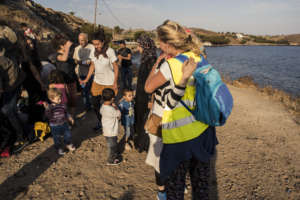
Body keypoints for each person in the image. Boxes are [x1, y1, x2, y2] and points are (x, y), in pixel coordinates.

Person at [145, 20, 218, 200]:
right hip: (203, 130)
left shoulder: (170, 65)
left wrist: (158, 61)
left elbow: (148, 87)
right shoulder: (198, 57)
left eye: (160, 42)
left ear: (168, 44)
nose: (158, 45)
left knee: (175, 188)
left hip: (179, 138)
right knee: (201, 187)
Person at [80, 29, 119, 133]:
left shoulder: (110, 51)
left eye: (97, 44)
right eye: (94, 44)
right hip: (97, 82)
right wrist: (87, 79)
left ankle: (110, 123)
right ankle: (101, 121)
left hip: (109, 83)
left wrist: (115, 82)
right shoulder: (93, 51)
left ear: (102, 42)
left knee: (109, 105)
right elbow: (92, 65)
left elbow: (116, 67)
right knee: (95, 104)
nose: (95, 46)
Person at [0, 25, 27, 150]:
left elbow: (13, 73)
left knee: (8, 110)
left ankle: (21, 136)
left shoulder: (4, 57)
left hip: (12, 84)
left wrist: (6, 88)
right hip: (9, 83)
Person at [134, 34, 157, 152]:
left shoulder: (152, 60)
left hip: (146, 97)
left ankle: (144, 145)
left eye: (139, 46)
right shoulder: (146, 58)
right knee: (140, 117)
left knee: (145, 119)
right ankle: (140, 142)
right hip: (141, 95)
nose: (138, 48)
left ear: (146, 46)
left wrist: (151, 100)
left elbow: (153, 82)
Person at [51, 34, 78, 118]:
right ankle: (64, 118)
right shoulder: (56, 55)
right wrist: (67, 47)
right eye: (65, 44)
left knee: (73, 101)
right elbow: (64, 58)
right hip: (61, 83)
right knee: (63, 101)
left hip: (71, 80)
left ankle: (72, 118)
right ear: (61, 46)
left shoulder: (68, 54)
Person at [43, 88, 75, 155]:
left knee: (68, 135)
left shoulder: (63, 105)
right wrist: (47, 109)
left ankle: (68, 143)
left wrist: (70, 117)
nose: (60, 100)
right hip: (55, 126)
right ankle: (59, 147)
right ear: (51, 99)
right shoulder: (50, 107)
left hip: (64, 123)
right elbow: (48, 116)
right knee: (57, 137)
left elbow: (66, 112)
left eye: (60, 98)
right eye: (58, 99)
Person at [100, 88, 121, 165]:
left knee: (111, 144)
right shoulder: (111, 109)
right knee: (112, 146)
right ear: (112, 99)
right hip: (111, 131)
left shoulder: (102, 107)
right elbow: (118, 114)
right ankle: (111, 160)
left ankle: (114, 154)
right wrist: (115, 107)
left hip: (106, 130)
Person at [73, 33, 94, 111]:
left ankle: (90, 105)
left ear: (87, 40)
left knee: (90, 91)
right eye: (79, 40)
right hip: (80, 73)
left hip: (91, 73)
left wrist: (81, 62)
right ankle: (87, 106)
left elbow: (91, 62)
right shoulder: (77, 48)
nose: (80, 42)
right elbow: (75, 60)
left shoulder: (92, 47)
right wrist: (83, 62)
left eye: (82, 40)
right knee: (84, 91)